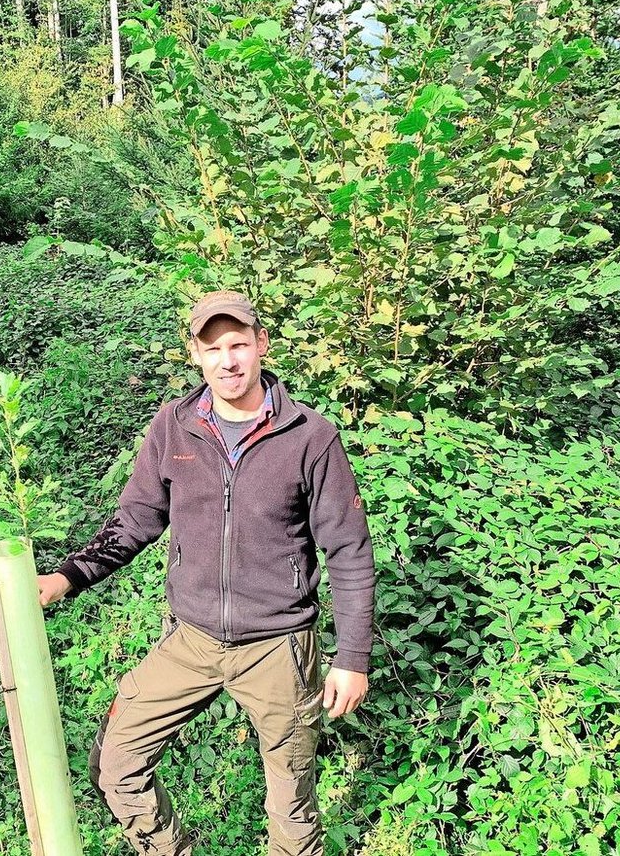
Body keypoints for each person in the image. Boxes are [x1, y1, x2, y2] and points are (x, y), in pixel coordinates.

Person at [36, 290, 375, 856]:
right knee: (116, 764)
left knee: (291, 811)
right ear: (194, 353)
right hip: (189, 640)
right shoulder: (174, 427)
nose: (228, 361)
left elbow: (349, 550)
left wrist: (352, 658)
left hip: (279, 647)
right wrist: (67, 577)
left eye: (238, 345)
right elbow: (136, 520)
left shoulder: (310, 437)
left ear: (262, 344)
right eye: (212, 348)